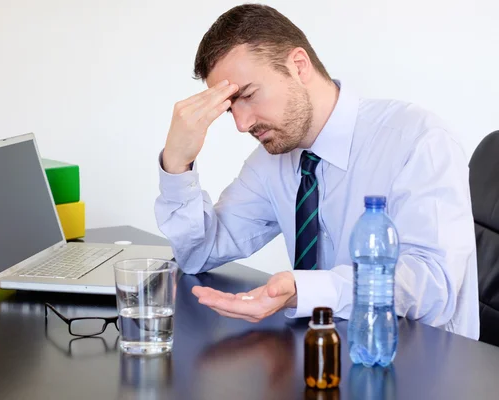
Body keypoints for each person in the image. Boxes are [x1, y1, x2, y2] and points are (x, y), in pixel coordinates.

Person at [154, 3, 479, 339]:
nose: (241, 123)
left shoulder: (417, 140)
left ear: (298, 65)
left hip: (422, 365)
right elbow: (198, 255)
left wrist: (309, 290)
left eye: (248, 95)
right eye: (230, 109)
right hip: (322, 359)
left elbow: (434, 286)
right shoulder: (271, 161)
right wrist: (178, 165)